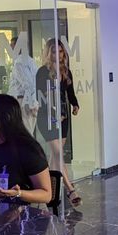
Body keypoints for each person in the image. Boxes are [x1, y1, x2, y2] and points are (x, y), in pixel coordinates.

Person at [36, 38, 81, 206]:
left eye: (61, 51)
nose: (58, 54)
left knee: (55, 158)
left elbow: (70, 93)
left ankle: (48, 191)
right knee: (58, 154)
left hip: (63, 117)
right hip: (46, 118)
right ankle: (70, 189)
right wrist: (53, 111)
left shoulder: (66, 71)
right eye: (54, 51)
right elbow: (40, 96)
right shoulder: (42, 72)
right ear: (49, 53)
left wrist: (75, 105)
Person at [7, 34, 39, 136]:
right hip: (27, 101)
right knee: (27, 133)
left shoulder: (19, 63)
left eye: (12, 46)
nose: (10, 49)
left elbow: (28, 84)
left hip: (23, 101)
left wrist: (32, 103)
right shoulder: (30, 61)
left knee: (25, 134)